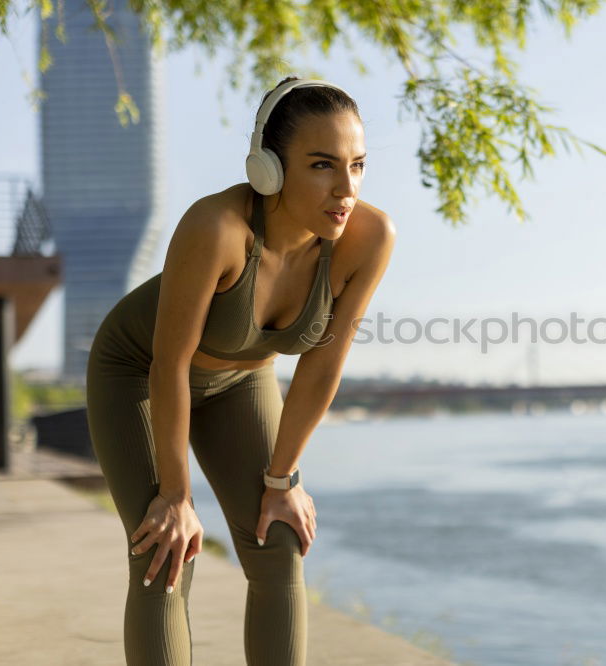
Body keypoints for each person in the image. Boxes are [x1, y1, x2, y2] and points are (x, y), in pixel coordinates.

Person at [85, 76, 395, 665]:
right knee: (165, 550)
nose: (346, 187)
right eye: (323, 165)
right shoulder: (217, 228)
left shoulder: (369, 238)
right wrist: (176, 496)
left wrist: (283, 481)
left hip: (242, 381)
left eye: (358, 165)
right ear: (269, 169)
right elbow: (169, 364)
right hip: (138, 373)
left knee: (278, 543)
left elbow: (323, 363)